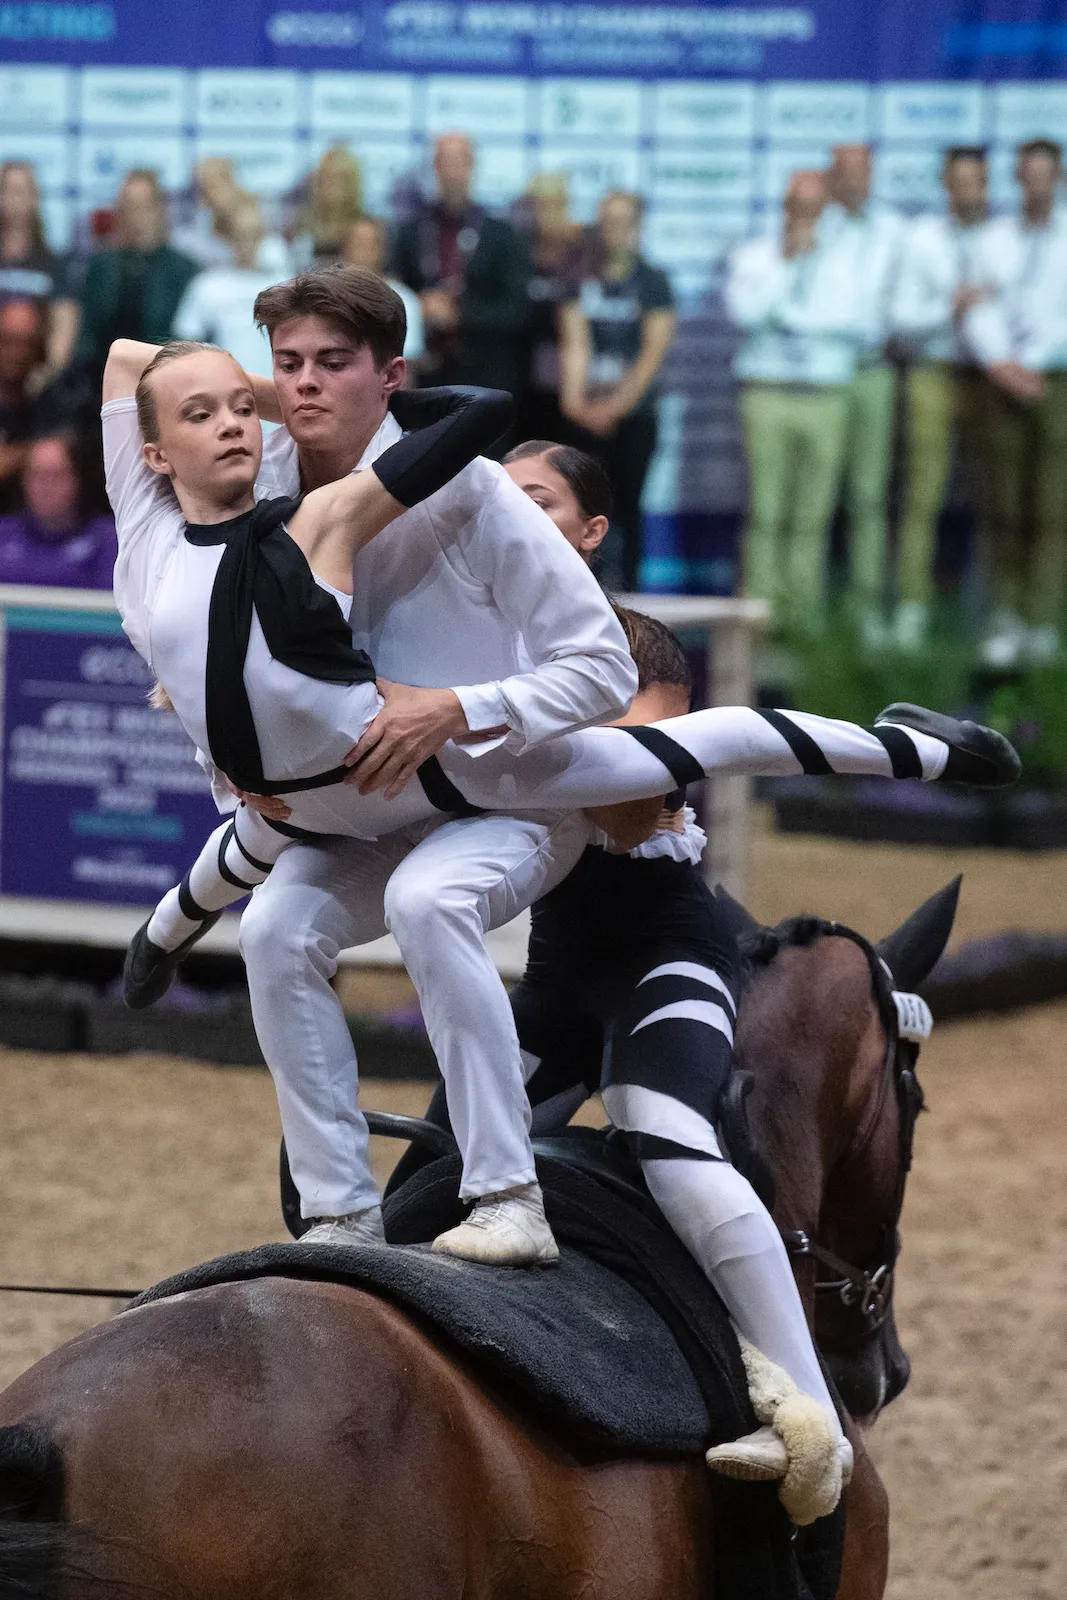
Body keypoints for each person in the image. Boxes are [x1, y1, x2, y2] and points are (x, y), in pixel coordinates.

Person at [107, 315, 1016, 1274]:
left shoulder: (316, 517)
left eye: (245, 407)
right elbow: (127, 360)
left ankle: (917, 749)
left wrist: (297, 395)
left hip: (439, 767)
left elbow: (482, 414)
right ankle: (338, 1211)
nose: (241, 419)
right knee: (271, 924)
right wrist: (163, 934)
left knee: (682, 748)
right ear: (153, 451)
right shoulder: (146, 534)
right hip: (321, 803)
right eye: (204, 412)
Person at [386, 500, 851, 1517]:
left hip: (664, 969)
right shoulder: (516, 706)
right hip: (552, 1002)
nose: (653, 767)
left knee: (669, 1137)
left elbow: (774, 742)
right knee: (418, 1188)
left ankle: (812, 1421)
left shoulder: (634, 714)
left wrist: (926, 750)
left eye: (666, 740)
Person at [725, 171, 863, 636]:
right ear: (785, 206)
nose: (804, 216)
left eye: (813, 207)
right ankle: (759, 615)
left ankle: (802, 617)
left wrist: (794, 318)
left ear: (825, 209)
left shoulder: (846, 257)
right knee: (765, 509)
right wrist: (787, 266)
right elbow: (747, 314)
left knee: (813, 513)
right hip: (768, 392)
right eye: (796, 206)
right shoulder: (757, 255)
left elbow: (851, 318)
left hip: (825, 395)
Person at [962, 138, 1067, 667]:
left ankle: (1043, 623)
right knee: (1001, 504)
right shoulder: (993, 239)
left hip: (1057, 381)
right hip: (1001, 382)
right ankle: (1004, 618)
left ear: (1060, 177)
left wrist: (1035, 359)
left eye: (1046, 174)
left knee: (1052, 509)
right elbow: (976, 309)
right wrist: (1002, 362)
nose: (1036, 183)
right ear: (1018, 179)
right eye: (1027, 174)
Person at [889, 147, 996, 653]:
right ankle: (912, 608)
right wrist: (948, 309)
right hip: (934, 372)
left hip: (992, 378)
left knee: (998, 500)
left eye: (976, 181)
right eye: (959, 181)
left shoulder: (1007, 239)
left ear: (988, 185)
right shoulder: (923, 239)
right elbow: (903, 321)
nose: (968, 190)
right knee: (921, 500)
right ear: (946, 185)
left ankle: (993, 613)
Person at [559, 190, 676, 592]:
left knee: (628, 507)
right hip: (585, 412)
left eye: (624, 221)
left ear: (638, 227)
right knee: (583, 508)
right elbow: (575, 342)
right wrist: (574, 402)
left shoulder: (653, 281)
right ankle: (582, 592)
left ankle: (631, 598)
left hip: (635, 415)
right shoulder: (579, 278)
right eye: (608, 220)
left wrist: (618, 406)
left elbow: (652, 351)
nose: (615, 230)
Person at [821, 146, 906, 645]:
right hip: (819, 376)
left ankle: (867, 609)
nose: (855, 183)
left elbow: (906, 301)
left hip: (873, 371)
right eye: (845, 174)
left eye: (863, 174)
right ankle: (803, 614)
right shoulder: (813, 226)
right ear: (832, 179)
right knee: (812, 503)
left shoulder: (895, 232)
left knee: (869, 496)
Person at [390, 133, 530, 396]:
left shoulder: (502, 235)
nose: (453, 172)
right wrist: (420, 305)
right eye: (445, 162)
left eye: (460, 162)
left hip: (487, 372)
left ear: (472, 167)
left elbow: (517, 309)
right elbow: (391, 292)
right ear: (434, 168)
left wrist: (458, 315)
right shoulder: (411, 232)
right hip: (425, 373)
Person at [77, 169, 199, 385]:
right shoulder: (102, 266)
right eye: (130, 207)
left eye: (145, 207)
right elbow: (87, 336)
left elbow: (187, 341)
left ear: (160, 210)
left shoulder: (184, 270)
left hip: (167, 381)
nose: (138, 216)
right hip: (103, 381)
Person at [173, 193, 286, 380]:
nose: (247, 243)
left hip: (276, 388)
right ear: (228, 236)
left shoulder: (284, 285)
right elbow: (186, 343)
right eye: (241, 234)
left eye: (254, 234)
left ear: (262, 235)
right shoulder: (207, 286)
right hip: (225, 389)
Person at [515, 174, 584, 443]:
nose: (547, 214)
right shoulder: (514, 254)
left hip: (570, 383)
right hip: (521, 379)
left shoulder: (581, 255)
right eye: (539, 205)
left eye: (556, 204)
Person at [0, 160, 80, 390]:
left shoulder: (54, 264)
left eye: (22, 191)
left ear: (35, 198)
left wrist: (49, 371)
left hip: (38, 379)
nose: (15, 199)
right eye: (8, 191)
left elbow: (64, 322)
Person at [0, 431, 116, 587]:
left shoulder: (110, 540)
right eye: (37, 475)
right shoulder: (3, 533)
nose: (45, 487)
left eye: (56, 475)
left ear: (78, 480)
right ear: (23, 481)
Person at [0, 298, 68, 515]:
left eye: (27, 343)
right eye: (9, 341)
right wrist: (33, 451)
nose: (17, 353)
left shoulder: (50, 403)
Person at [340, 216, 424, 363]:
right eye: (359, 244)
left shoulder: (404, 299)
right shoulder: (325, 299)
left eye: (372, 245)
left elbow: (407, 363)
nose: (365, 252)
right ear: (344, 249)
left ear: (384, 250)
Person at [291, 146, 365, 268]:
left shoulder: (363, 226)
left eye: (339, 178)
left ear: (352, 183)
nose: (331, 184)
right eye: (327, 177)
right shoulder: (304, 221)